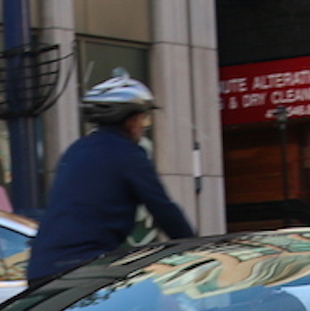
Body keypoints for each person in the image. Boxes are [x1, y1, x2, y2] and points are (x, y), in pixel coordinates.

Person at [25, 73, 197, 285]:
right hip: (82, 268)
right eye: (143, 117)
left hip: (41, 271)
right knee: (163, 306)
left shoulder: (76, 150)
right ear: (130, 120)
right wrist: (196, 251)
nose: (144, 125)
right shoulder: (127, 154)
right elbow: (163, 209)